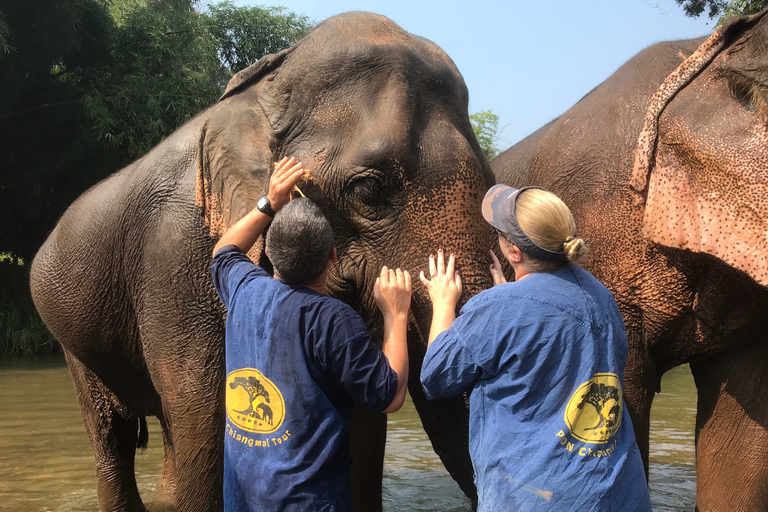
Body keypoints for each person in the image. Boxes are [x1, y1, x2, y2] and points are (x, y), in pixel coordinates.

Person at [419, 184, 652, 511]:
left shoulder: (499, 307)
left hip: (534, 498)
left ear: (514, 253)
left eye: (500, 233)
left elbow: (435, 377)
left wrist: (443, 303)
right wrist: (511, 301)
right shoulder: (602, 296)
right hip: (619, 494)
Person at [211, 156, 412, 512]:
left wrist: (269, 203)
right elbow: (390, 396)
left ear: (269, 253)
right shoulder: (333, 320)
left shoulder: (244, 290)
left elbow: (224, 251)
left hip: (242, 498)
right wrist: (395, 316)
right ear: (333, 257)